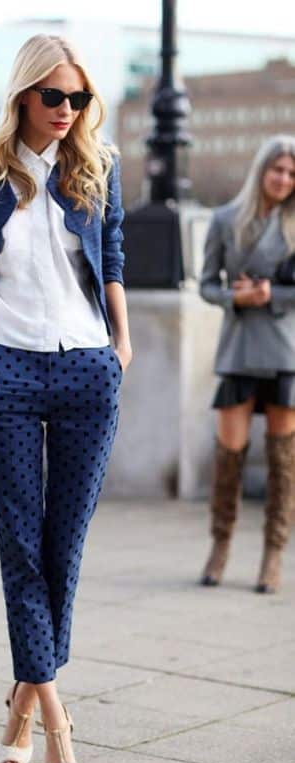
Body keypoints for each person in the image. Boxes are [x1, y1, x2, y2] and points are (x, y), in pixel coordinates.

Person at [0, 34, 131, 763]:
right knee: (21, 550)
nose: (67, 110)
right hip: (8, 371)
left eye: (79, 98)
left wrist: (121, 347)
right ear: (23, 94)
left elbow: (112, 262)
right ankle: (56, 722)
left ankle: (19, 708)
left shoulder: (98, 167)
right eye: (54, 96)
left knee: (62, 551)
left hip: (88, 368)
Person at [199, 135, 295, 593]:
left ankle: (273, 553)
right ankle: (220, 545)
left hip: (285, 348)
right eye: (278, 169)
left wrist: (270, 294)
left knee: (283, 459)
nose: (284, 179)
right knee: (229, 454)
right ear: (261, 170)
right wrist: (235, 297)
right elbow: (205, 284)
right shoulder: (224, 220)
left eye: (292, 173)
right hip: (238, 347)